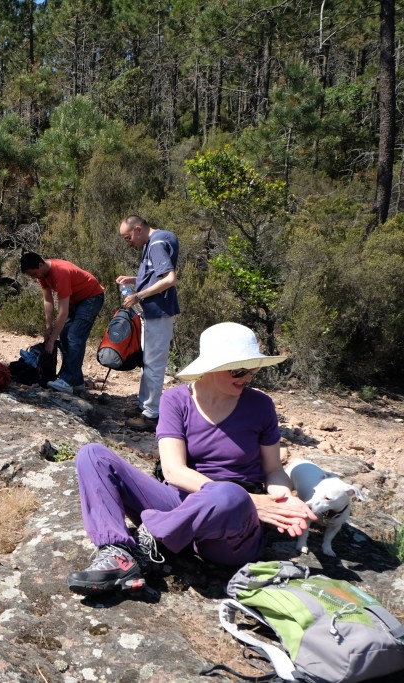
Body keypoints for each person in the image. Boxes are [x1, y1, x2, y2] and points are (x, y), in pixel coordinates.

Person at [66, 322, 315, 596]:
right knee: (93, 455)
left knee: (228, 495)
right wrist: (254, 502)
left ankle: (149, 539)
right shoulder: (176, 400)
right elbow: (173, 472)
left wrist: (282, 499)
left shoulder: (260, 405)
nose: (247, 378)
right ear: (211, 366)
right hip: (180, 503)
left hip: (231, 525)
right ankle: (117, 552)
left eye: (253, 371)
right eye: (239, 370)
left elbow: (273, 469)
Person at [117, 215, 179, 426]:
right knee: (148, 361)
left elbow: (170, 279)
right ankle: (144, 405)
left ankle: (151, 415)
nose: (128, 242)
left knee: (154, 363)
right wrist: (134, 280)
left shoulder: (157, 244)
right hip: (153, 311)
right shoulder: (152, 243)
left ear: (138, 229)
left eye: (127, 237)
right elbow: (156, 275)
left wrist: (138, 295)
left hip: (159, 311)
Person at [20, 252, 103, 393]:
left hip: (91, 298)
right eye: (31, 276)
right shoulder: (42, 274)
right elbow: (48, 300)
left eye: (34, 274)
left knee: (75, 336)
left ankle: (67, 380)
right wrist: (49, 327)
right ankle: (77, 382)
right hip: (75, 300)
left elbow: (63, 312)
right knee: (64, 335)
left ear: (40, 265)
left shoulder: (60, 272)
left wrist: (52, 340)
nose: (34, 278)